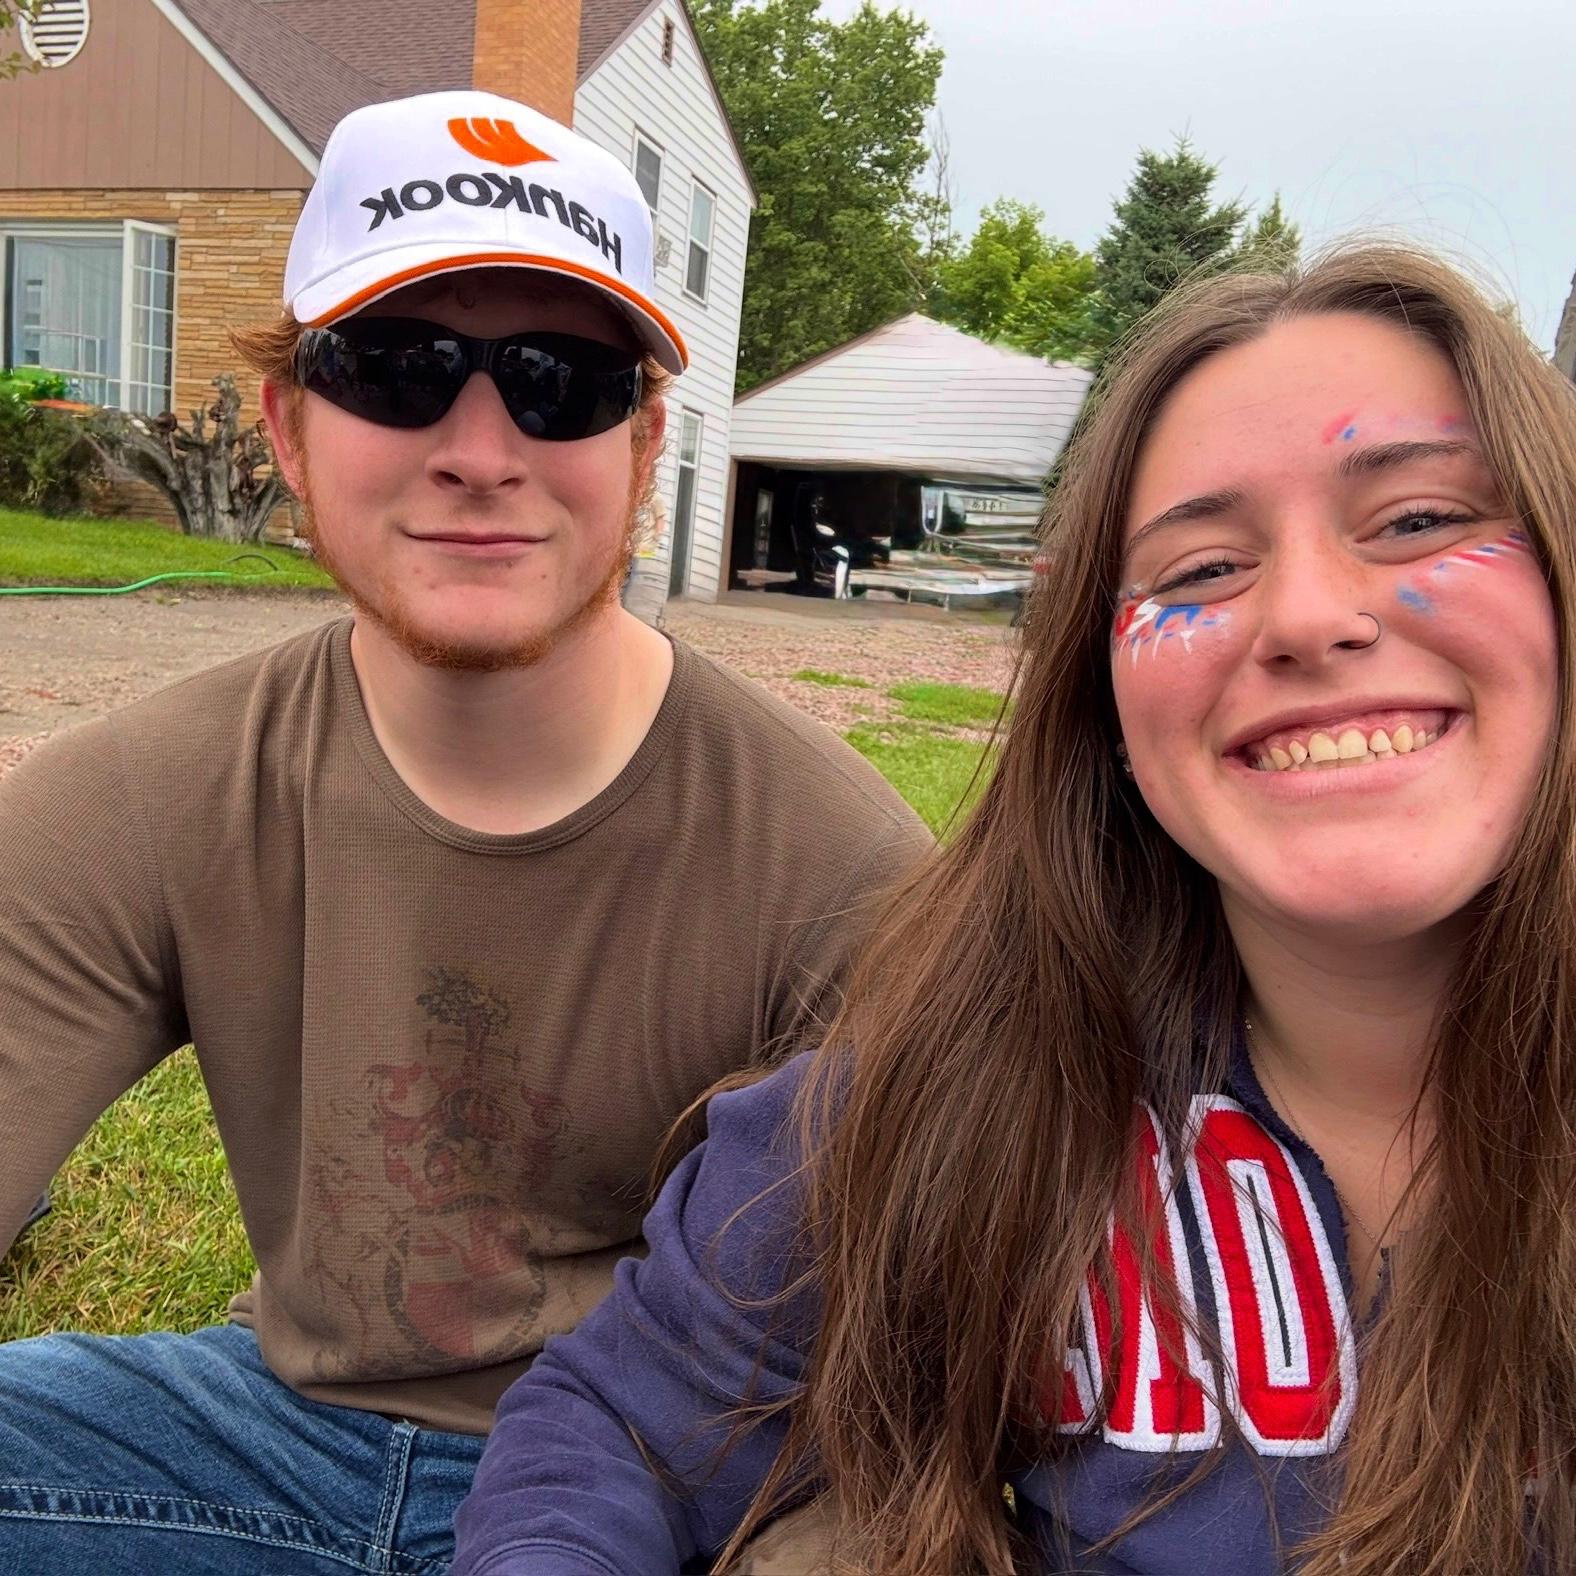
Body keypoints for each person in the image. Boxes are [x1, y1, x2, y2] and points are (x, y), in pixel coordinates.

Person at [451, 244, 1576, 1576]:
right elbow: (626, 1426)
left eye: (1417, 518)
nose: (1308, 615)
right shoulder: (969, 1089)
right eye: (1202, 568)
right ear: (1107, 703)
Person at [0, 88, 926, 1573]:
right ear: (289, 428)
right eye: (398, 369)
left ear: (642, 447)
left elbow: (922, 1361)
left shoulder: (844, 872)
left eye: (562, 382)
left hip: (677, 1482)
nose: (481, 450)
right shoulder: (151, 795)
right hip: (277, 1437)